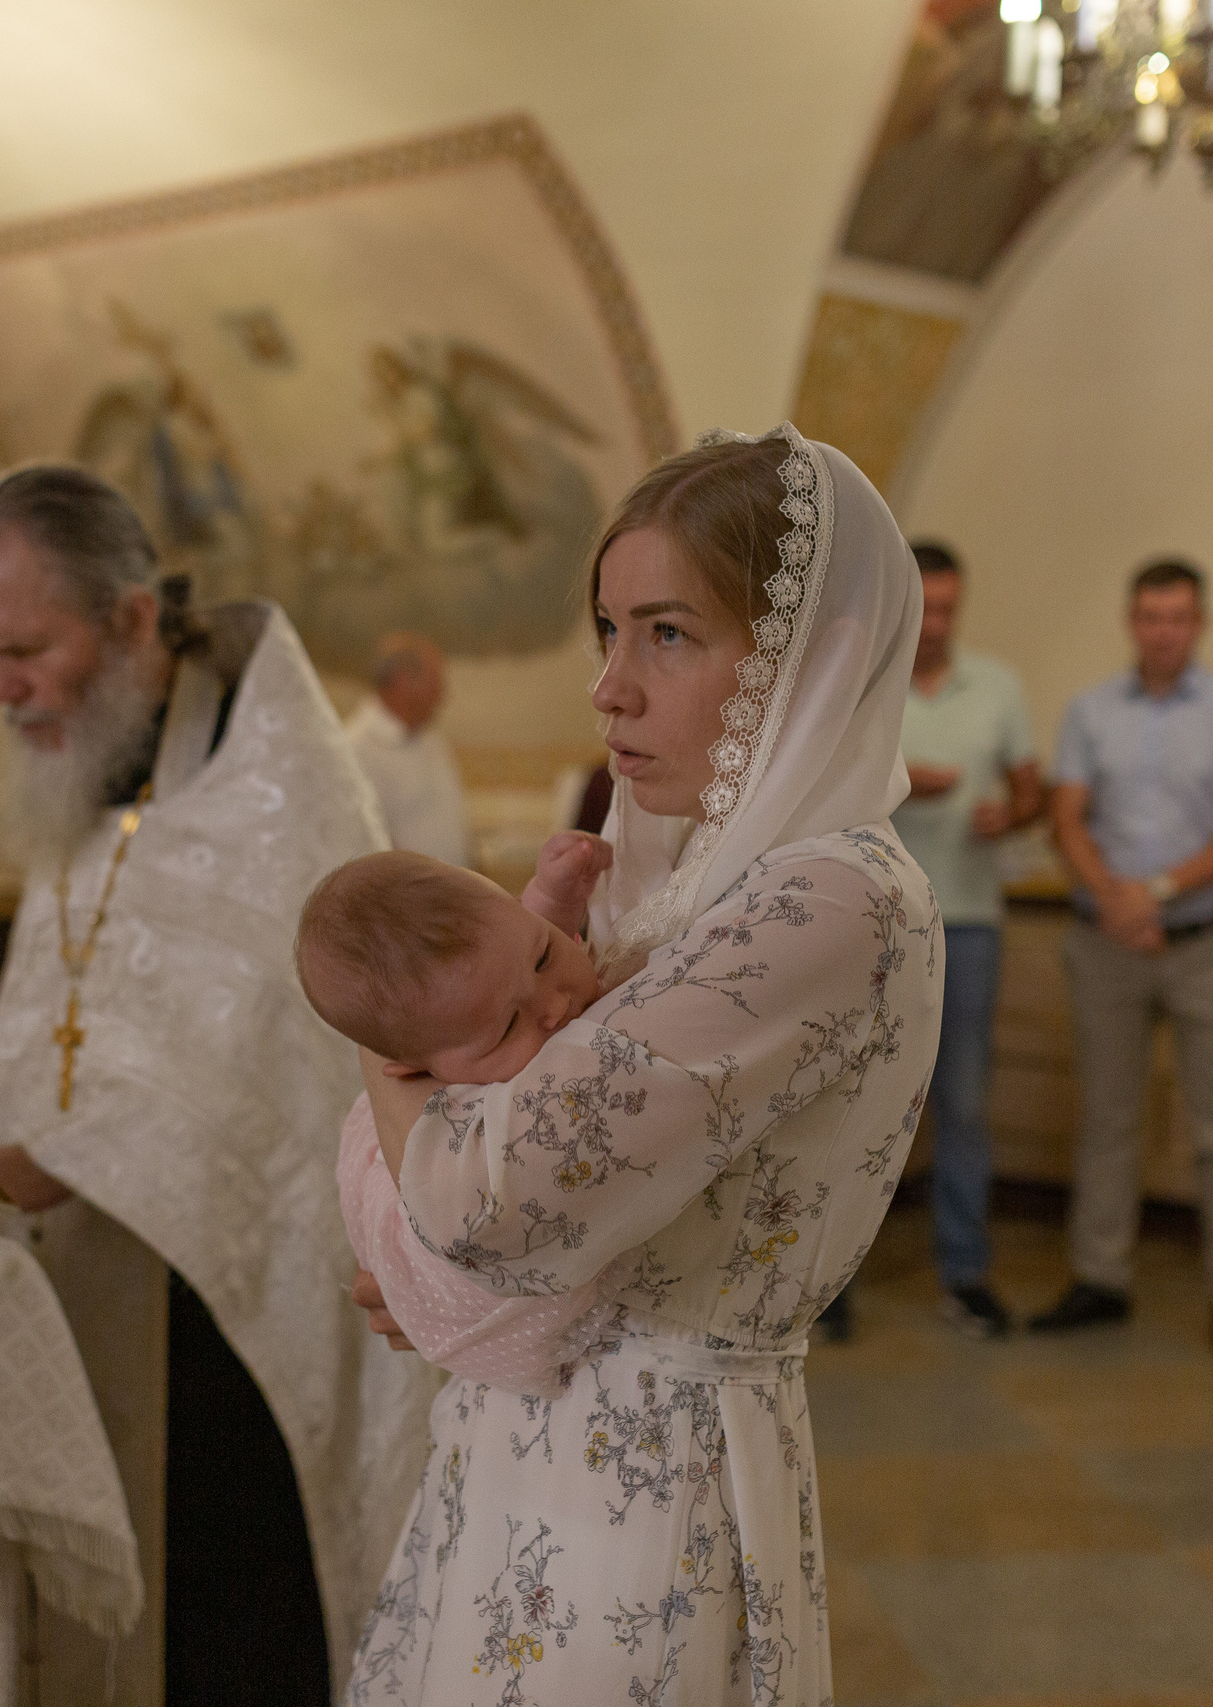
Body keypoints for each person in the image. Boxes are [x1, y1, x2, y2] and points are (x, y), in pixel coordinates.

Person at [343, 425, 943, 1704]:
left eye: (666, 634)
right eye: (606, 633)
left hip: (644, 1481)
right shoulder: (665, 866)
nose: (609, 687)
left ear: (811, 664)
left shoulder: (831, 898)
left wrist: (383, 1044)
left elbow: (490, 1204)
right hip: (518, 1438)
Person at [0, 465, 437, 1705]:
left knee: (229, 1606)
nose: (0, 689)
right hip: (72, 1278)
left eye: (22, 650)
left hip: (232, 1306)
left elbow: (269, 1049)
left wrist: (63, 1156)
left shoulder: (279, 787)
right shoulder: (82, 772)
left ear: (127, 622)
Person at [1033, 558, 1213, 1356]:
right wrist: (1117, 896)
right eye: (1150, 616)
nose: (1164, 630)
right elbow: (1066, 817)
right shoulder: (1089, 711)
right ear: (1131, 621)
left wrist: (1159, 892)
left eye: (1178, 616)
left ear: (1200, 622)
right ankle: (1100, 1276)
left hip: (1208, 943)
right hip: (1105, 940)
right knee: (1107, 1118)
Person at [301, 839, 626, 1399]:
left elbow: (504, 958)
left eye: (545, 955)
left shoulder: (491, 982)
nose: (553, 1007)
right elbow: (486, 1221)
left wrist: (553, 896)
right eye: (505, 1030)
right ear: (406, 1070)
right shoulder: (464, 1117)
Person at [888, 539, 1043, 1339]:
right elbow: (822, 787)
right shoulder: (866, 684)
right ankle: (830, 1283)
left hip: (971, 920)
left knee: (965, 1102)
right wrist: (905, 775)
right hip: (876, 929)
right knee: (859, 1103)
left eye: (950, 607)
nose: (938, 623)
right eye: (927, 607)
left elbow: (1031, 794)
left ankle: (964, 1269)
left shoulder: (1000, 687)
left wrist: (1008, 815)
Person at [345, 632, 473, 865]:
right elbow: (368, 846)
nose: (443, 696)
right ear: (403, 682)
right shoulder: (356, 748)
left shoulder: (432, 741)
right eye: (435, 683)